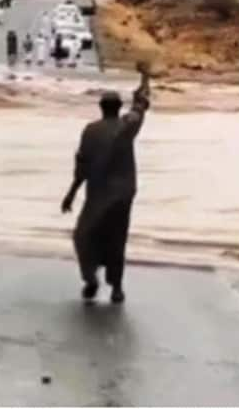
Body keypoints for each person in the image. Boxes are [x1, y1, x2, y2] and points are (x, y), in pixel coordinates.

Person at [61, 68, 151, 304]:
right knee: (117, 239)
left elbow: (81, 166)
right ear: (118, 107)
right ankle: (117, 287)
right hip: (123, 195)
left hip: (98, 195)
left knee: (84, 236)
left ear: (101, 107)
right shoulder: (126, 126)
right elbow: (141, 106)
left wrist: (71, 194)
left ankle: (91, 278)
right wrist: (145, 80)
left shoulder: (90, 131)